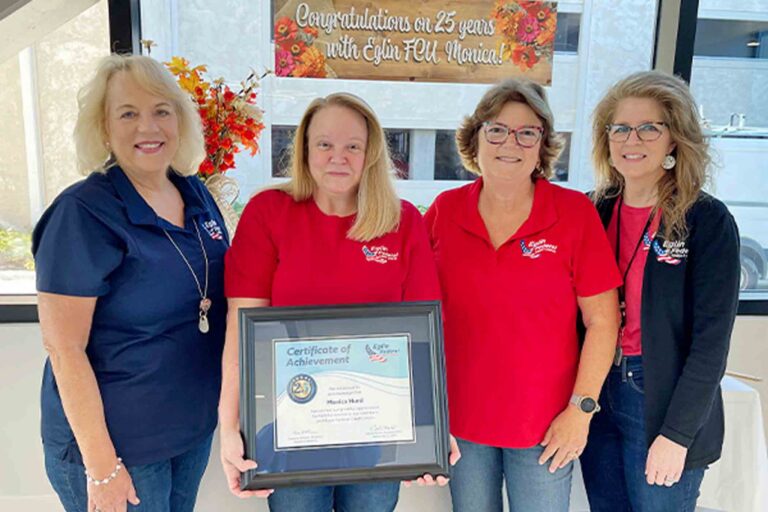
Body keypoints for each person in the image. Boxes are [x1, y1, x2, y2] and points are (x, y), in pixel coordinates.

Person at [219, 92, 458, 512]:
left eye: (353, 146)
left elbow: (422, 338)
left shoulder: (402, 221)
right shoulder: (267, 213)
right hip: (288, 430)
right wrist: (229, 426)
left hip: (375, 433)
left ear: (371, 154)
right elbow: (241, 329)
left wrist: (433, 427)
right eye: (324, 144)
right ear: (305, 150)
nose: (338, 157)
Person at [32, 54, 228, 512]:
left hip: (188, 433)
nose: (149, 127)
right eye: (128, 113)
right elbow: (64, 350)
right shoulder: (82, 213)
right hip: (120, 450)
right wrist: (101, 468)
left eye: (162, 110)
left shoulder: (194, 192)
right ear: (103, 127)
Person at [424, 79, 621, 512]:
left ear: (542, 145)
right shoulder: (444, 210)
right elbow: (414, 311)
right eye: (496, 129)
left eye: (526, 132)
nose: (509, 143)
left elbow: (604, 322)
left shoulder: (573, 214)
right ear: (476, 138)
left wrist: (581, 412)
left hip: (546, 426)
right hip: (461, 423)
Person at [579, 71, 740, 512]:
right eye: (621, 128)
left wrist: (677, 435)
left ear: (675, 139)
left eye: (650, 127)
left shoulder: (705, 220)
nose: (633, 139)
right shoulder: (594, 210)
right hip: (598, 390)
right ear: (607, 139)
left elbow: (711, 345)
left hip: (659, 397)